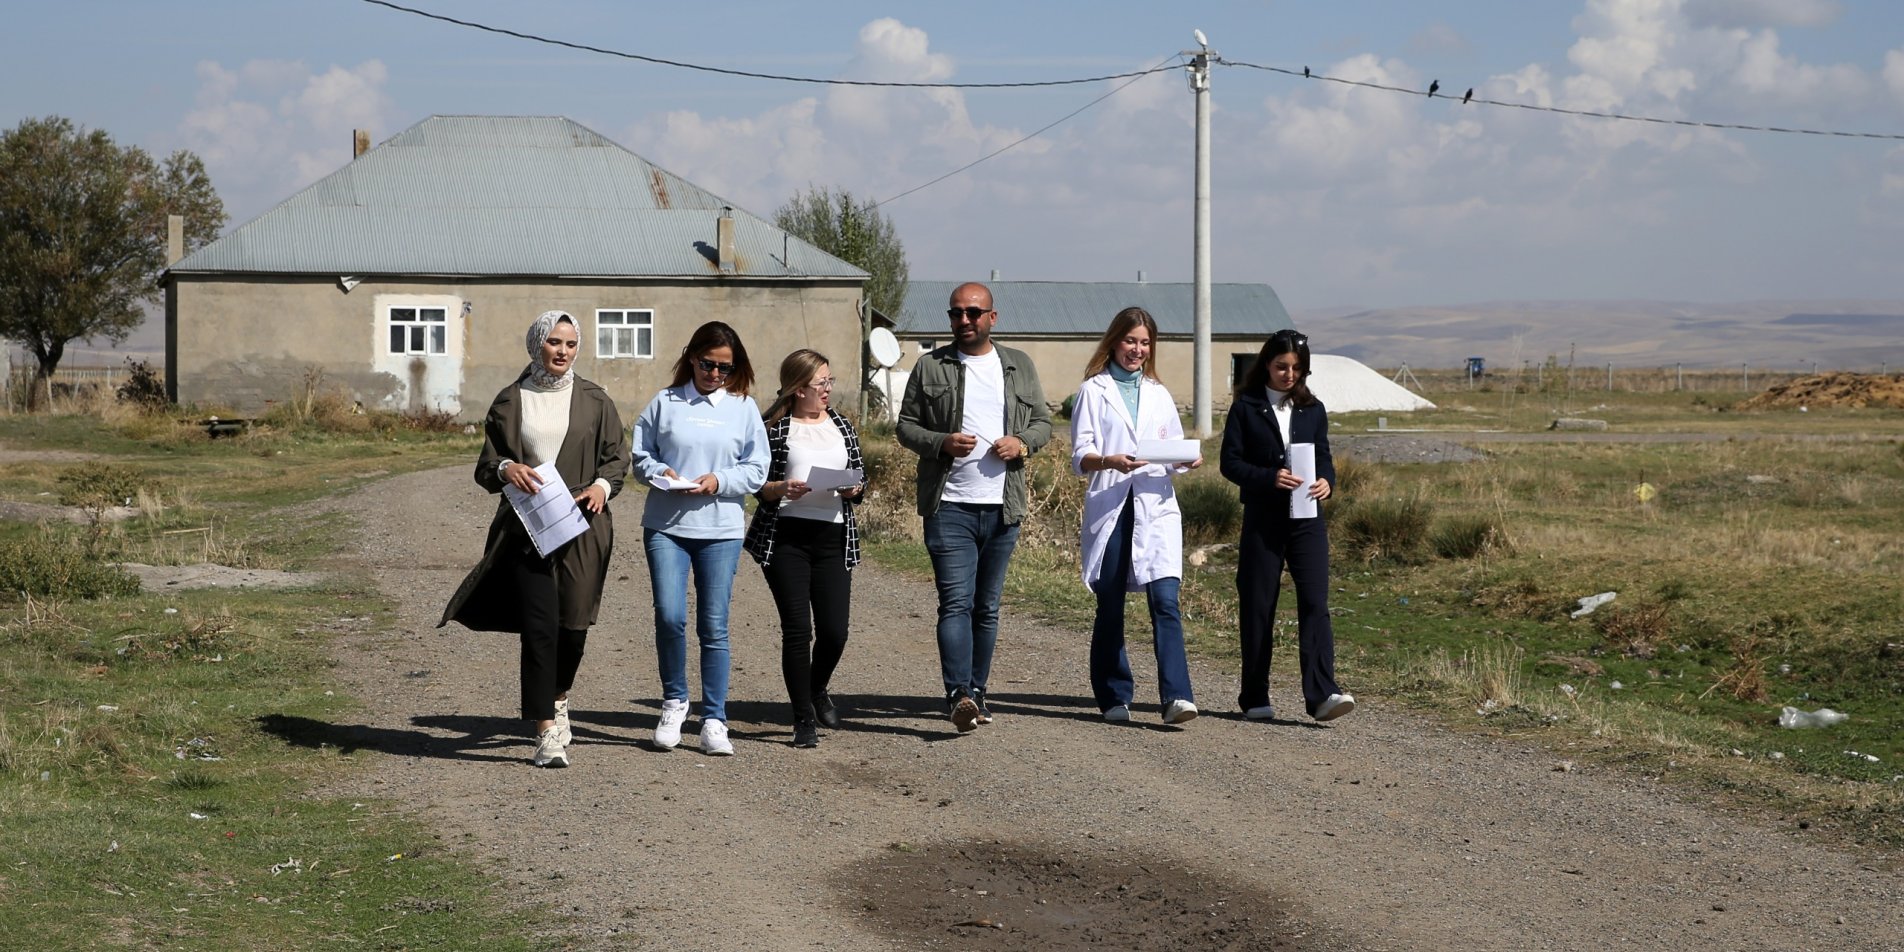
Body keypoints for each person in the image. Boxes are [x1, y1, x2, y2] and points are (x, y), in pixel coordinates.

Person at [441, 310, 629, 768]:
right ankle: (545, 728)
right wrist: (507, 468)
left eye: (570, 343)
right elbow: (488, 465)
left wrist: (601, 488)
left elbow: (615, 460)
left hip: (584, 522)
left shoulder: (596, 400)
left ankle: (559, 695)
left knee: (575, 625)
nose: (563, 351)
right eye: (554, 343)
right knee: (540, 626)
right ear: (536, 345)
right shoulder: (510, 399)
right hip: (527, 525)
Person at [896, 281, 1052, 732]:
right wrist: (941, 442)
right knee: (955, 603)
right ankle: (957, 692)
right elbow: (906, 427)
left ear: (992, 318)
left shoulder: (1018, 365)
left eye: (973, 313)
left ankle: (977, 691)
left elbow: (1043, 424)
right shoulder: (930, 366)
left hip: (1003, 509)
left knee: (986, 607)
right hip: (949, 506)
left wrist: (1021, 443)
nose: (964, 321)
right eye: (956, 313)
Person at [630, 321, 768, 756]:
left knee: (714, 624)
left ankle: (714, 718)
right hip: (667, 526)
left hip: (721, 529)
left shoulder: (743, 407)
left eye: (725, 368)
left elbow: (757, 468)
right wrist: (659, 472)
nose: (715, 374)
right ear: (692, 357)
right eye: (708, 364)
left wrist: (719, 480)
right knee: (670, 616)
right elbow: (640, 456)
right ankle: (674, 702)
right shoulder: (665, 402)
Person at [1070, 307, 1201, 725]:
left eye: (1145, 343)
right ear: (1114, 341)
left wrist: (1185, 461)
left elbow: (1173, 446)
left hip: (1155, 507)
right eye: (1131, 341)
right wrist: (1109, 460)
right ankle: (1113, 695)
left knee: (1165, 600)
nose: (1138, 350)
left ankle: (1176, 697)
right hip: (1112, 503)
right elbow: (1080, 455)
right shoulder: (1094, 390)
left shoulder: (1159, 393)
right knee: (1110, 604)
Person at [1220, 328, 1356, 723]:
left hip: (1308, 519)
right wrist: (1268, 477)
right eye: (1281, 366)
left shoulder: (1314, 409)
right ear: (1266, 364)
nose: (1289, 374)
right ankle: (1255, 696)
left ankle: (1322, 695)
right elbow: (1230, 464)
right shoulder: (1245, 406)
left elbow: (1324, 457)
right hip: (1263, 520)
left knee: (1315, 603)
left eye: (1297, 368)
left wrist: (1327, 482)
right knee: (1258, 606)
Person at [743, 350, 866, 749]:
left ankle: (817, 689)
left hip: (833, 537)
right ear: (798, 390)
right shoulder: (773, 430)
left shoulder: (842, 425)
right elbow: (756, 485)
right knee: (798, 631)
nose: (828, 390)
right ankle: (802, 720)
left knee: (835, 632)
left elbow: (860, 477)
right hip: (786, 539)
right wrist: (779, 489)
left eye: (830, 382)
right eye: (820, 385)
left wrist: (854, 487)